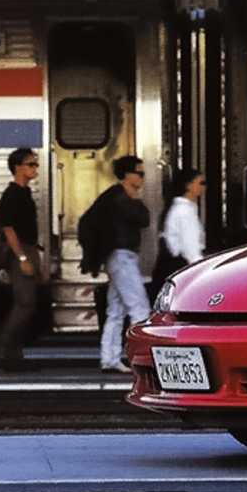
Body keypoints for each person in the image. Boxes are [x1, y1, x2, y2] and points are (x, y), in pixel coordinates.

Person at [98, 155, 151, 374]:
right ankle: (142, 358)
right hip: (122, 258)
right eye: (139, 173)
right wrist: (136, 200)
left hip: (117, 258)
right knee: (139, 309)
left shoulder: (113, 197)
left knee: (116, 310)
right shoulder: (121, 199)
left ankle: (109, 358)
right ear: (127, 175)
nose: (142, 178)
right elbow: (144, 219)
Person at [0, 147, 41, 370]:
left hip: (28, 249)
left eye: (35, 164)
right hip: (20, 251)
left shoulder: (24, 192)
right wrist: (22, 257)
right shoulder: (12, 194)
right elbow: (8, 229)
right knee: (25, 303)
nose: (35, 168)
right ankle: (2, 348)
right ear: (17, 167)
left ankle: (13, 355)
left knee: (26, 304)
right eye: (31, 164)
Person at [152, 168, 206, 297]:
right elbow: (191, 249)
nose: (204, 187)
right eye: (201, 183)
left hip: (169, 267)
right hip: (178, 268)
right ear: (188, 185)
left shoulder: (178, 208)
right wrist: (202, 272)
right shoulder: (185, 212)